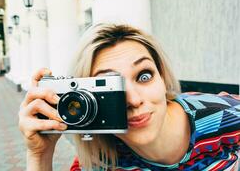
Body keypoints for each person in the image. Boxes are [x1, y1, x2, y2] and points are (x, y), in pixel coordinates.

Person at [18, 24, 240, 170]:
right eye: (112, 88)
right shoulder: (99, 160)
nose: (133, 100)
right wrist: (39, 155)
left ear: (163, 78)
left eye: (144, 76)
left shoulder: (224, 117)